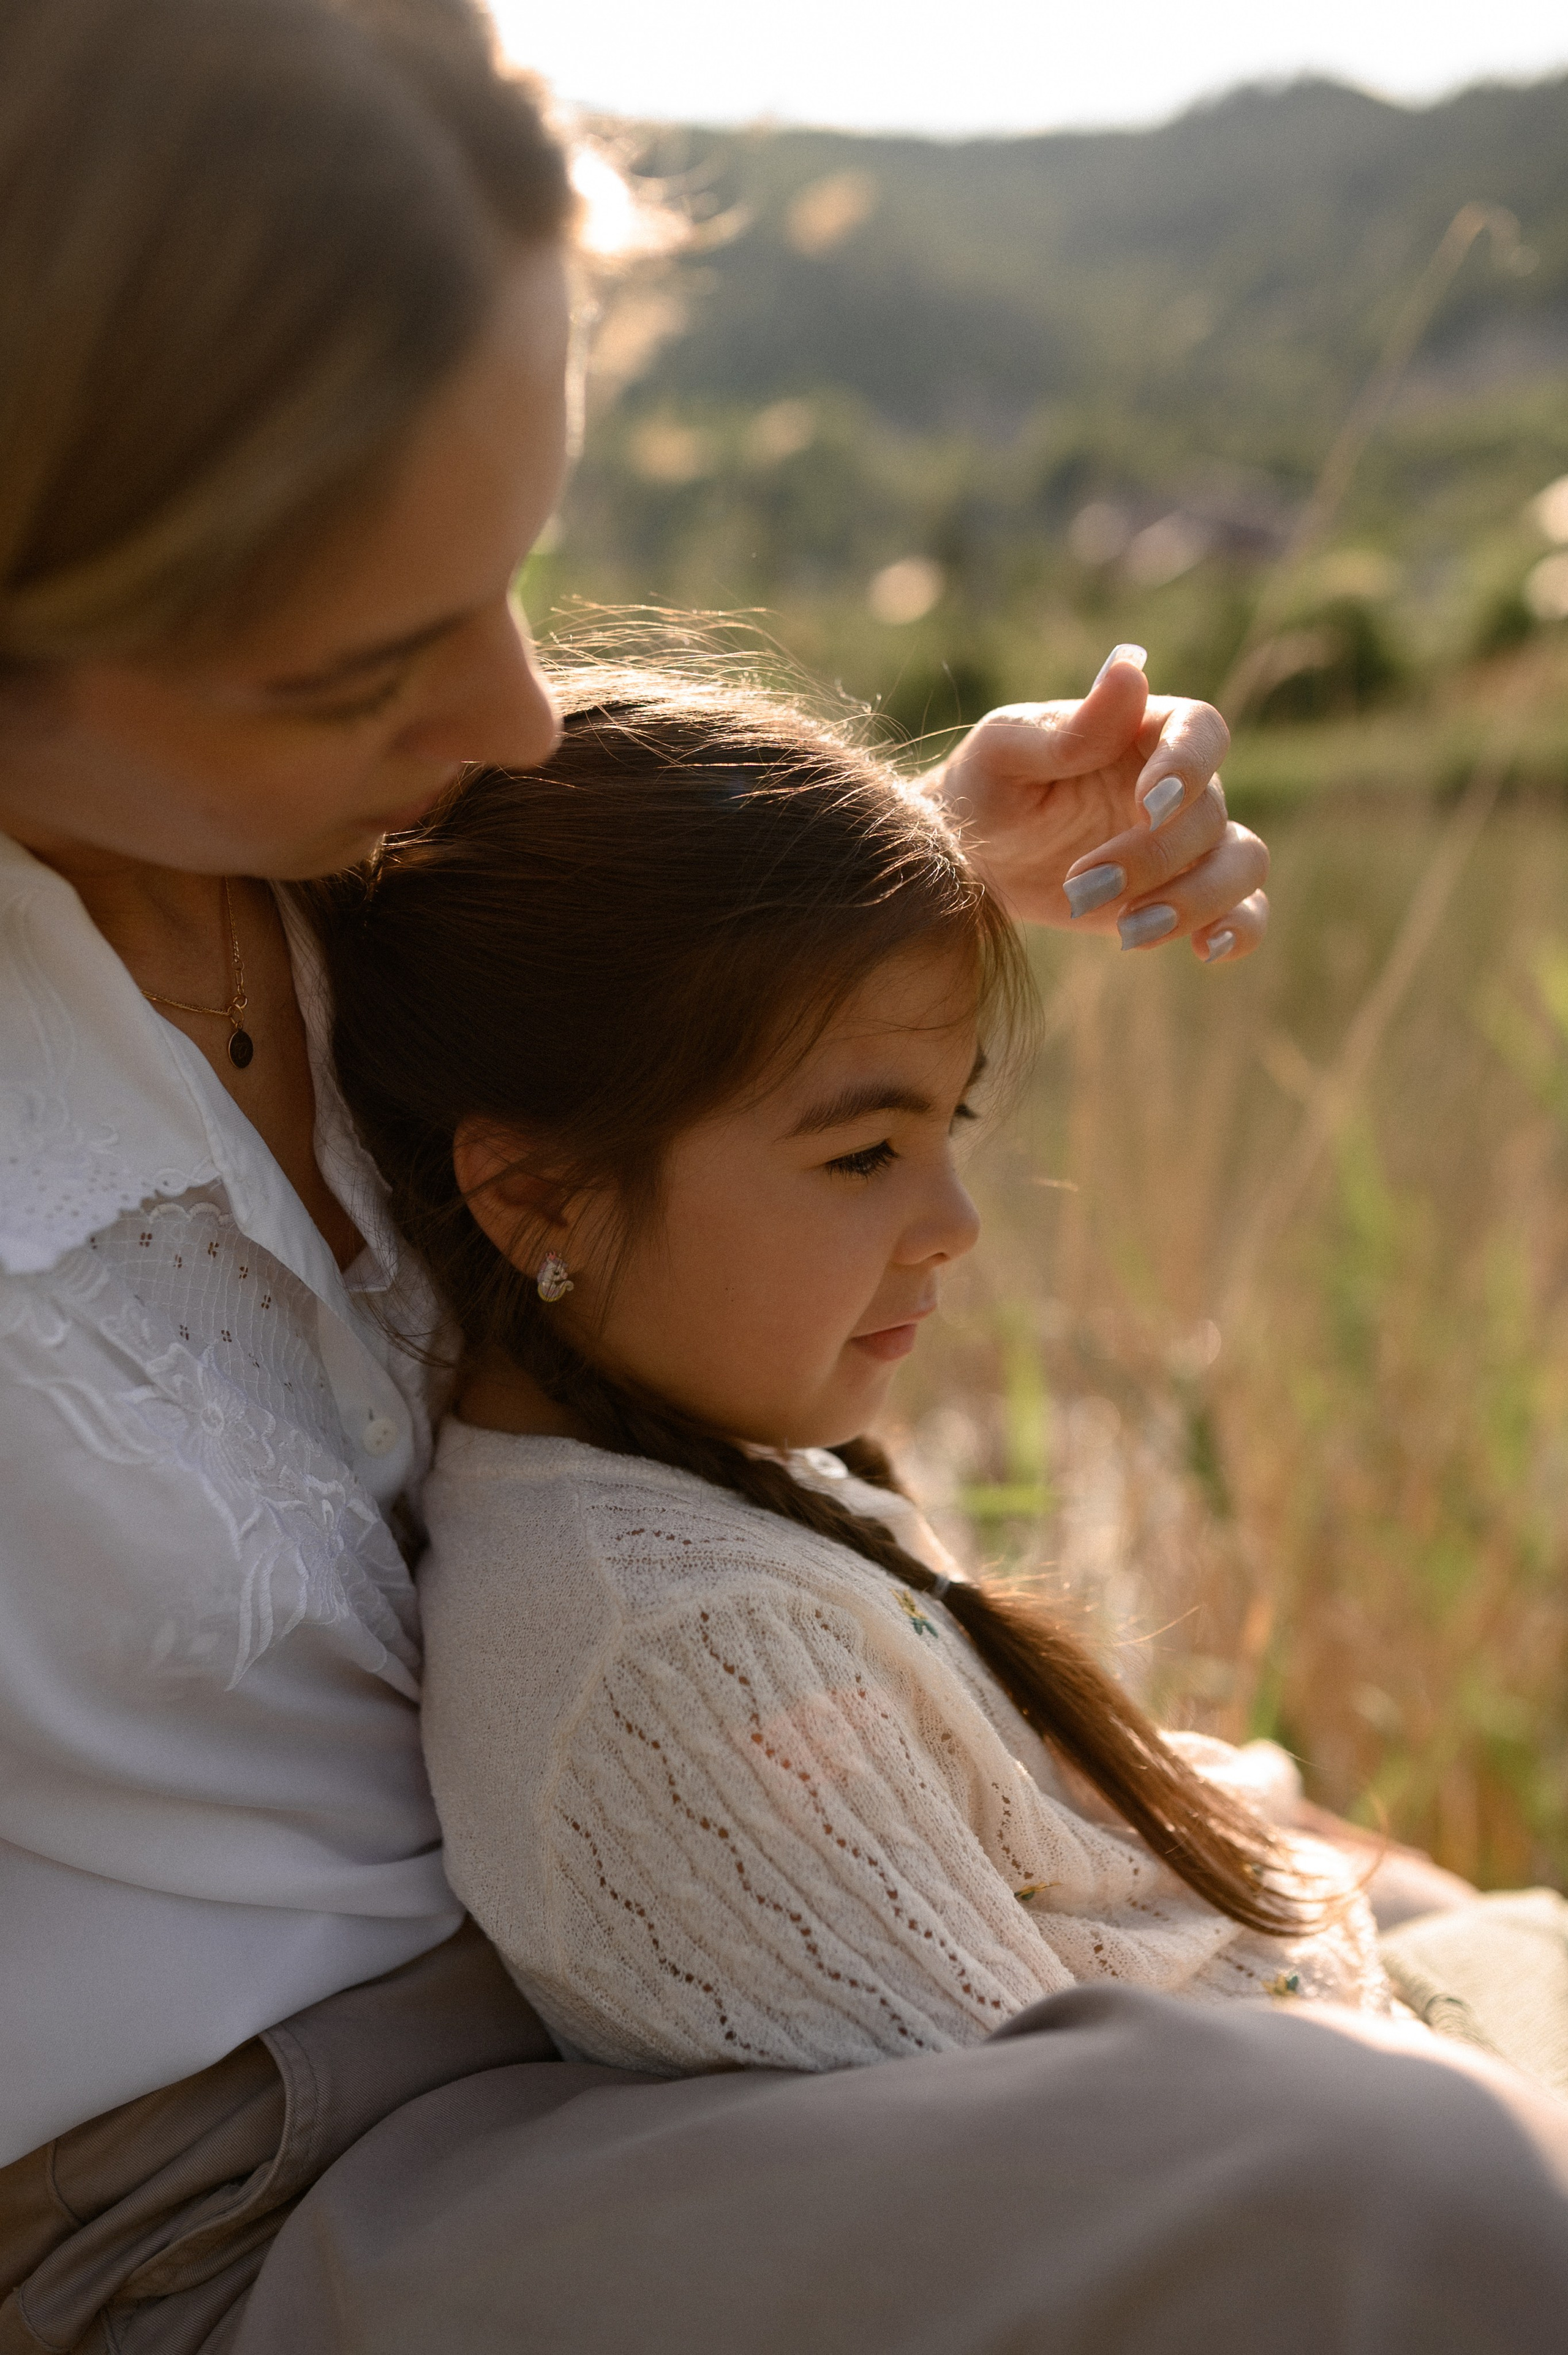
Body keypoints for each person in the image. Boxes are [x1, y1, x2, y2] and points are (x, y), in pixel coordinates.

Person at [2, 3, 1566, 2351]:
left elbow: (564, 1131)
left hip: (669, 1969)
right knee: (1384, 2175)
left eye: (517, 563)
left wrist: (900, 904)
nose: (517, 712)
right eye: (368, 663)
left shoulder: (363, 847)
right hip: (245, 2211)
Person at [320, 672, 1392, 2074]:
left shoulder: (715, 1475)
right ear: (535, 1195)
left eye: (948, 1124)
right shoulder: (683, 1651)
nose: (956, 1223)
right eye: (862, 1156)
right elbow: (1083, 2152)